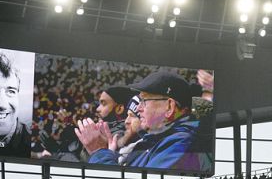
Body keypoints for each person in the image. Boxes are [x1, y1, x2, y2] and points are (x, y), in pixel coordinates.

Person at [76, 71, 212, 172]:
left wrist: (99, 152)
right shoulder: (160, 140)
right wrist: (109, 153)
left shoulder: (182, 145)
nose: (138, 108)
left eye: (144, 101)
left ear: (169, 107)